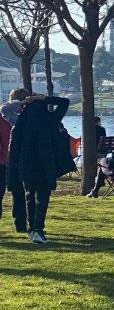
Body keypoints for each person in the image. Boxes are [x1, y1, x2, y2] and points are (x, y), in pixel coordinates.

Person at [7, 93, 71, 243]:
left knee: (29, 196)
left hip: (26, 164)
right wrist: (44, 98)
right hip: (45, 164)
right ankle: (38, 228)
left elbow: (13, 149)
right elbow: (65, 102)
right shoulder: (50, 120)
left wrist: (14, 168)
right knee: (42, 197)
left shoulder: (20, 124)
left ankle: (31, 229)